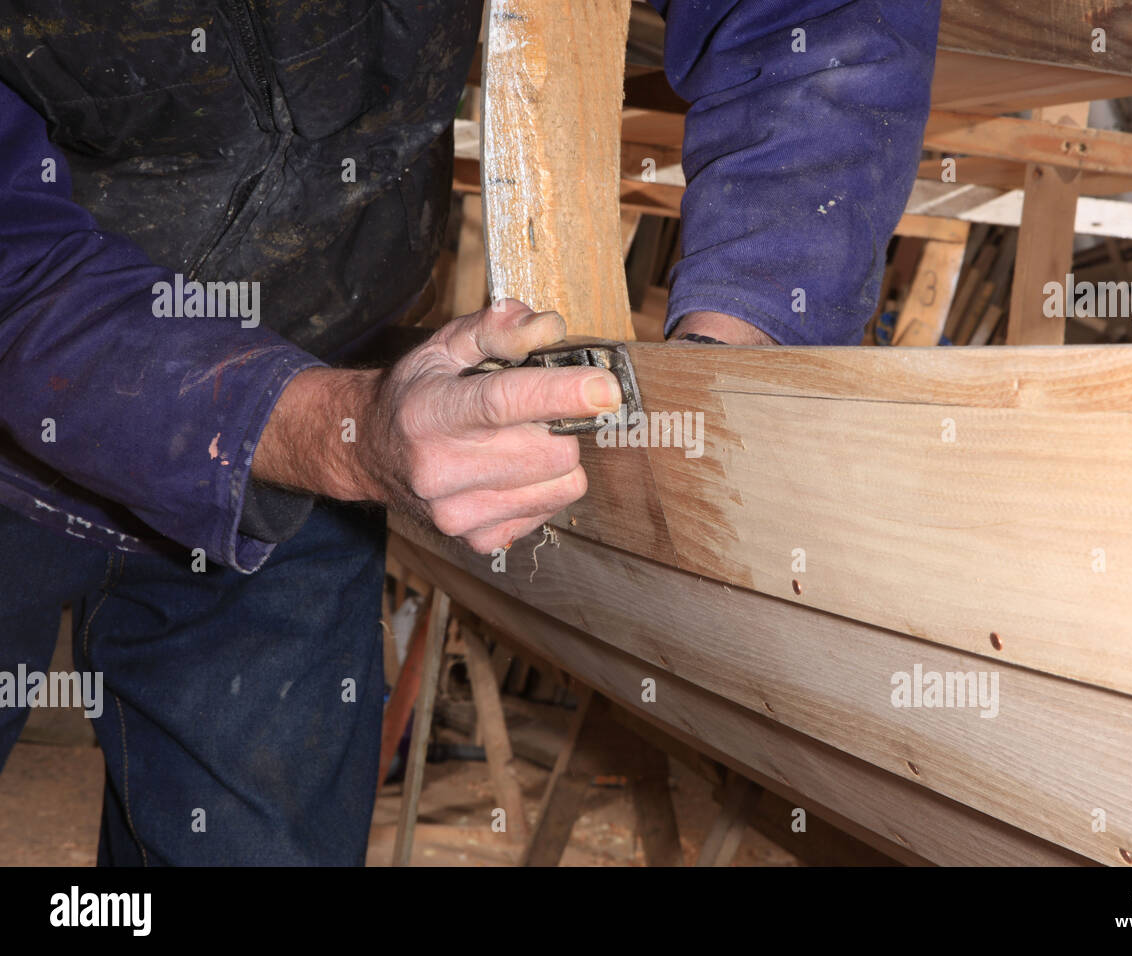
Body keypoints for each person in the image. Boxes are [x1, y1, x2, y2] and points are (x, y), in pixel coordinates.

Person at [0, 0, 939, 864]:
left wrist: (735, 344)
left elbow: (816, 19)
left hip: (320, 432)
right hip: (172, 417)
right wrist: (339, 432)